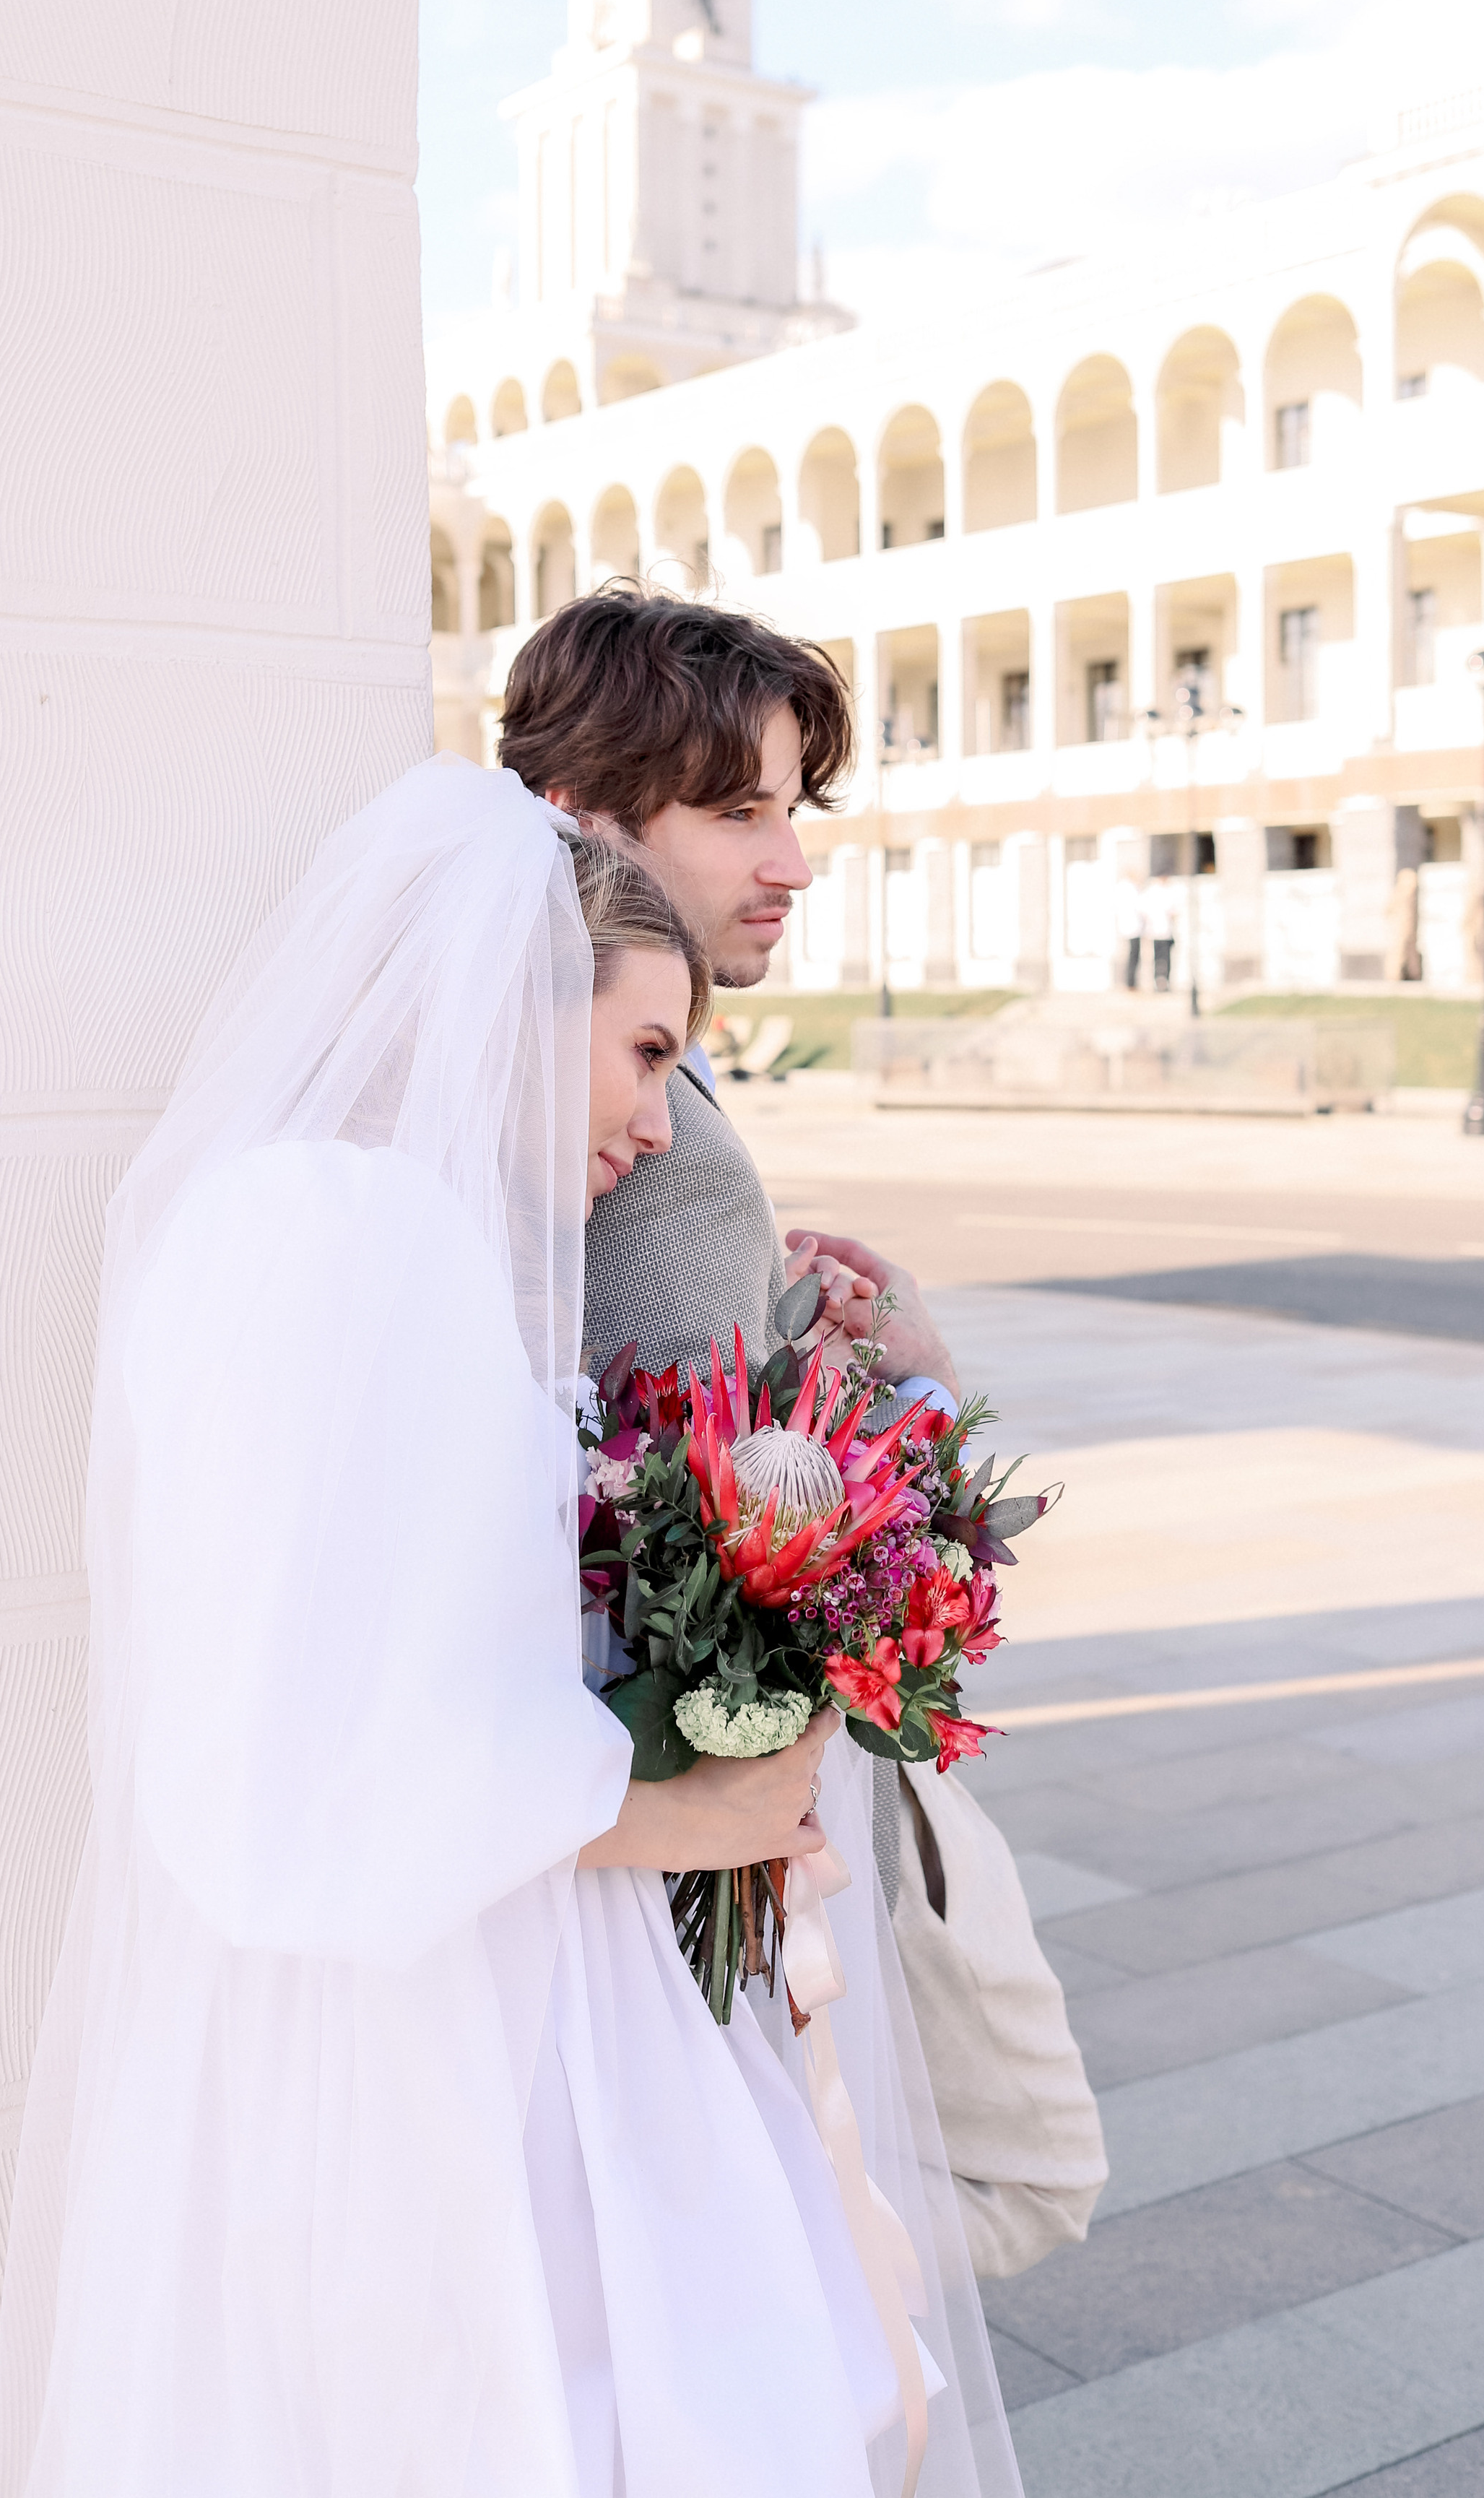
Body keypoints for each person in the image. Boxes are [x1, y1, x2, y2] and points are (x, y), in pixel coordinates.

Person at [0, 753, 1020, 2498]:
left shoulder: (360, 1227)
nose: (654, 1119)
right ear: (505, 1007)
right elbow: (295, 1757)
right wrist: (679, 1811)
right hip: (425, 2019)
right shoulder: (351, 1238)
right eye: (640, 1056)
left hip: (480, 1965)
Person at [501, 588, 1106, 2283]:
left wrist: (793, 1326)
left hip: (717, 1790)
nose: (791, 857)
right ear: (583, 816)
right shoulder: (657, 1132)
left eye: (795, 807)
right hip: (772, 1791)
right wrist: (910, 1383)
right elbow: (749, 1525)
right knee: (1004, 2173)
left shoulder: (624, 1087)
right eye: (738, 808)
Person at [1143, 870, 1178, 992]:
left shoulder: (1153, 892)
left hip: (1161, 932)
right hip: (1160, 932)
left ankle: (1161, 982)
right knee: (1162, 959)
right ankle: (1161, 982)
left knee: (1161, 959)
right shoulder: (1160, 892)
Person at [1114, 869, 1145, 991]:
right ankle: (1131, 983)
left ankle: (1130, 982)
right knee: (1133, 956)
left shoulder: (1121, 888)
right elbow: (1139, 907)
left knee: (1131, 956)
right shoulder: (1132, 889)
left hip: (1127, 927)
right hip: (1133, 928)